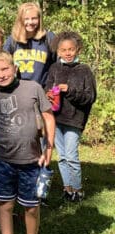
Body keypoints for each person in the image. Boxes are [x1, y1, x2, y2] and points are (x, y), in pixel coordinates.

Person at [0, 50, 55, 234]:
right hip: (3, 161)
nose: (2, 74)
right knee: (5, 205)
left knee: (32, 206)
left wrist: (49, 148)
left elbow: (48, 116)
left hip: (32, 159)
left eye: (5, 68)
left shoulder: (33, 88)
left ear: (15, 68)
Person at [44, 31, 96, 202]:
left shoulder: (84, 70)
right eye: (64, 50)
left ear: (77, 50)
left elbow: (90, 97)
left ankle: (78, 190)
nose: (67, 53)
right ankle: (68, 189)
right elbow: (47, 89)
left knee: (72, 155)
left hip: (75, 119)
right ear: (58, 51)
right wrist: (49, 94)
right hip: (57, 119)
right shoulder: (54, 68)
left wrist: (70, 90)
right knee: (63, 156)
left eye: (71, 49)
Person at [4, 2, 55, 86]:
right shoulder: (12, 40)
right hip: (18, 90)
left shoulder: (48, 38)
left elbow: (58, 64)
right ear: (20, 20)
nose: (30, 22)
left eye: (34, 18)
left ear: (39, 19)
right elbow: (4, 65)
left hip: (42, 90)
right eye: (26, 19)